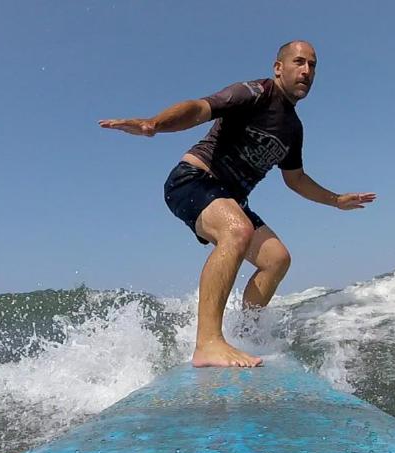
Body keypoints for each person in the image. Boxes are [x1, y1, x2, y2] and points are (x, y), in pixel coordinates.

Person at [99, 41, 375, 368]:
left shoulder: (293, 129)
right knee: (238, 230)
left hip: (230, 199)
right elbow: (199, 108)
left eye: (313, 65)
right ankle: (208, 344)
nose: (306, 71)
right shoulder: (255, 92)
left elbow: (295, 179)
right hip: (192, 180)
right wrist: (154, 124)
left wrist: (336, 201)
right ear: (278, 67)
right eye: (299, 62)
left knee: (277, 259)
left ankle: (247, 333)